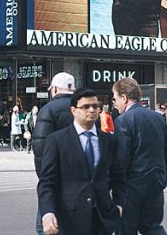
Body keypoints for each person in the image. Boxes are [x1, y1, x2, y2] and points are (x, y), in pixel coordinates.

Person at [37, 89, 125, 235]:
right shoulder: (57, 140)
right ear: (73, 110)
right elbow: (47, 181)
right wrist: (47, 212)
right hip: (70, 218)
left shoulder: (109, 140)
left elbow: (119, 176)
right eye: (85, 107)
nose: (92, 110)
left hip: (103, 217)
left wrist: (119, 204)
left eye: (95, 106)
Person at [112, 77, 167, 235]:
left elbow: (121, 159)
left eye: (115, 99)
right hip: (156, 181)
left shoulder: (123, 120)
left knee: (125, 228)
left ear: (124, 97)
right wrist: (164, 178)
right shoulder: (157, 118)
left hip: (132, 186)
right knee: (152, 227)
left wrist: (114, 186)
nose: (115, 104)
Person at [32, 72, 76, 235]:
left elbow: (40, 146)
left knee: (44, 226)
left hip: (55, 175)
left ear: (55, 89)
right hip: (80, 178)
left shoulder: (48, 109)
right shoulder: (84, 108)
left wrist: (45, 178)